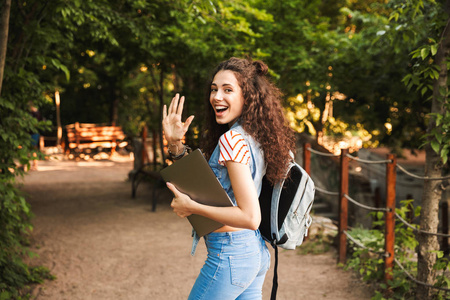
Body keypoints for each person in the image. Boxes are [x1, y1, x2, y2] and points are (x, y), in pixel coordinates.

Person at [162, 57, 295, 299]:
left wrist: (191, 207)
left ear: (247, 96)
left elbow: (250, 216)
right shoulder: (255, 136)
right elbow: (211, 188)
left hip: (232, 253)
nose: (216, 97)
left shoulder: (232, 140)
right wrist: (175, 144)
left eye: (227, 90)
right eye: (214, 89)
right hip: (251, 251)